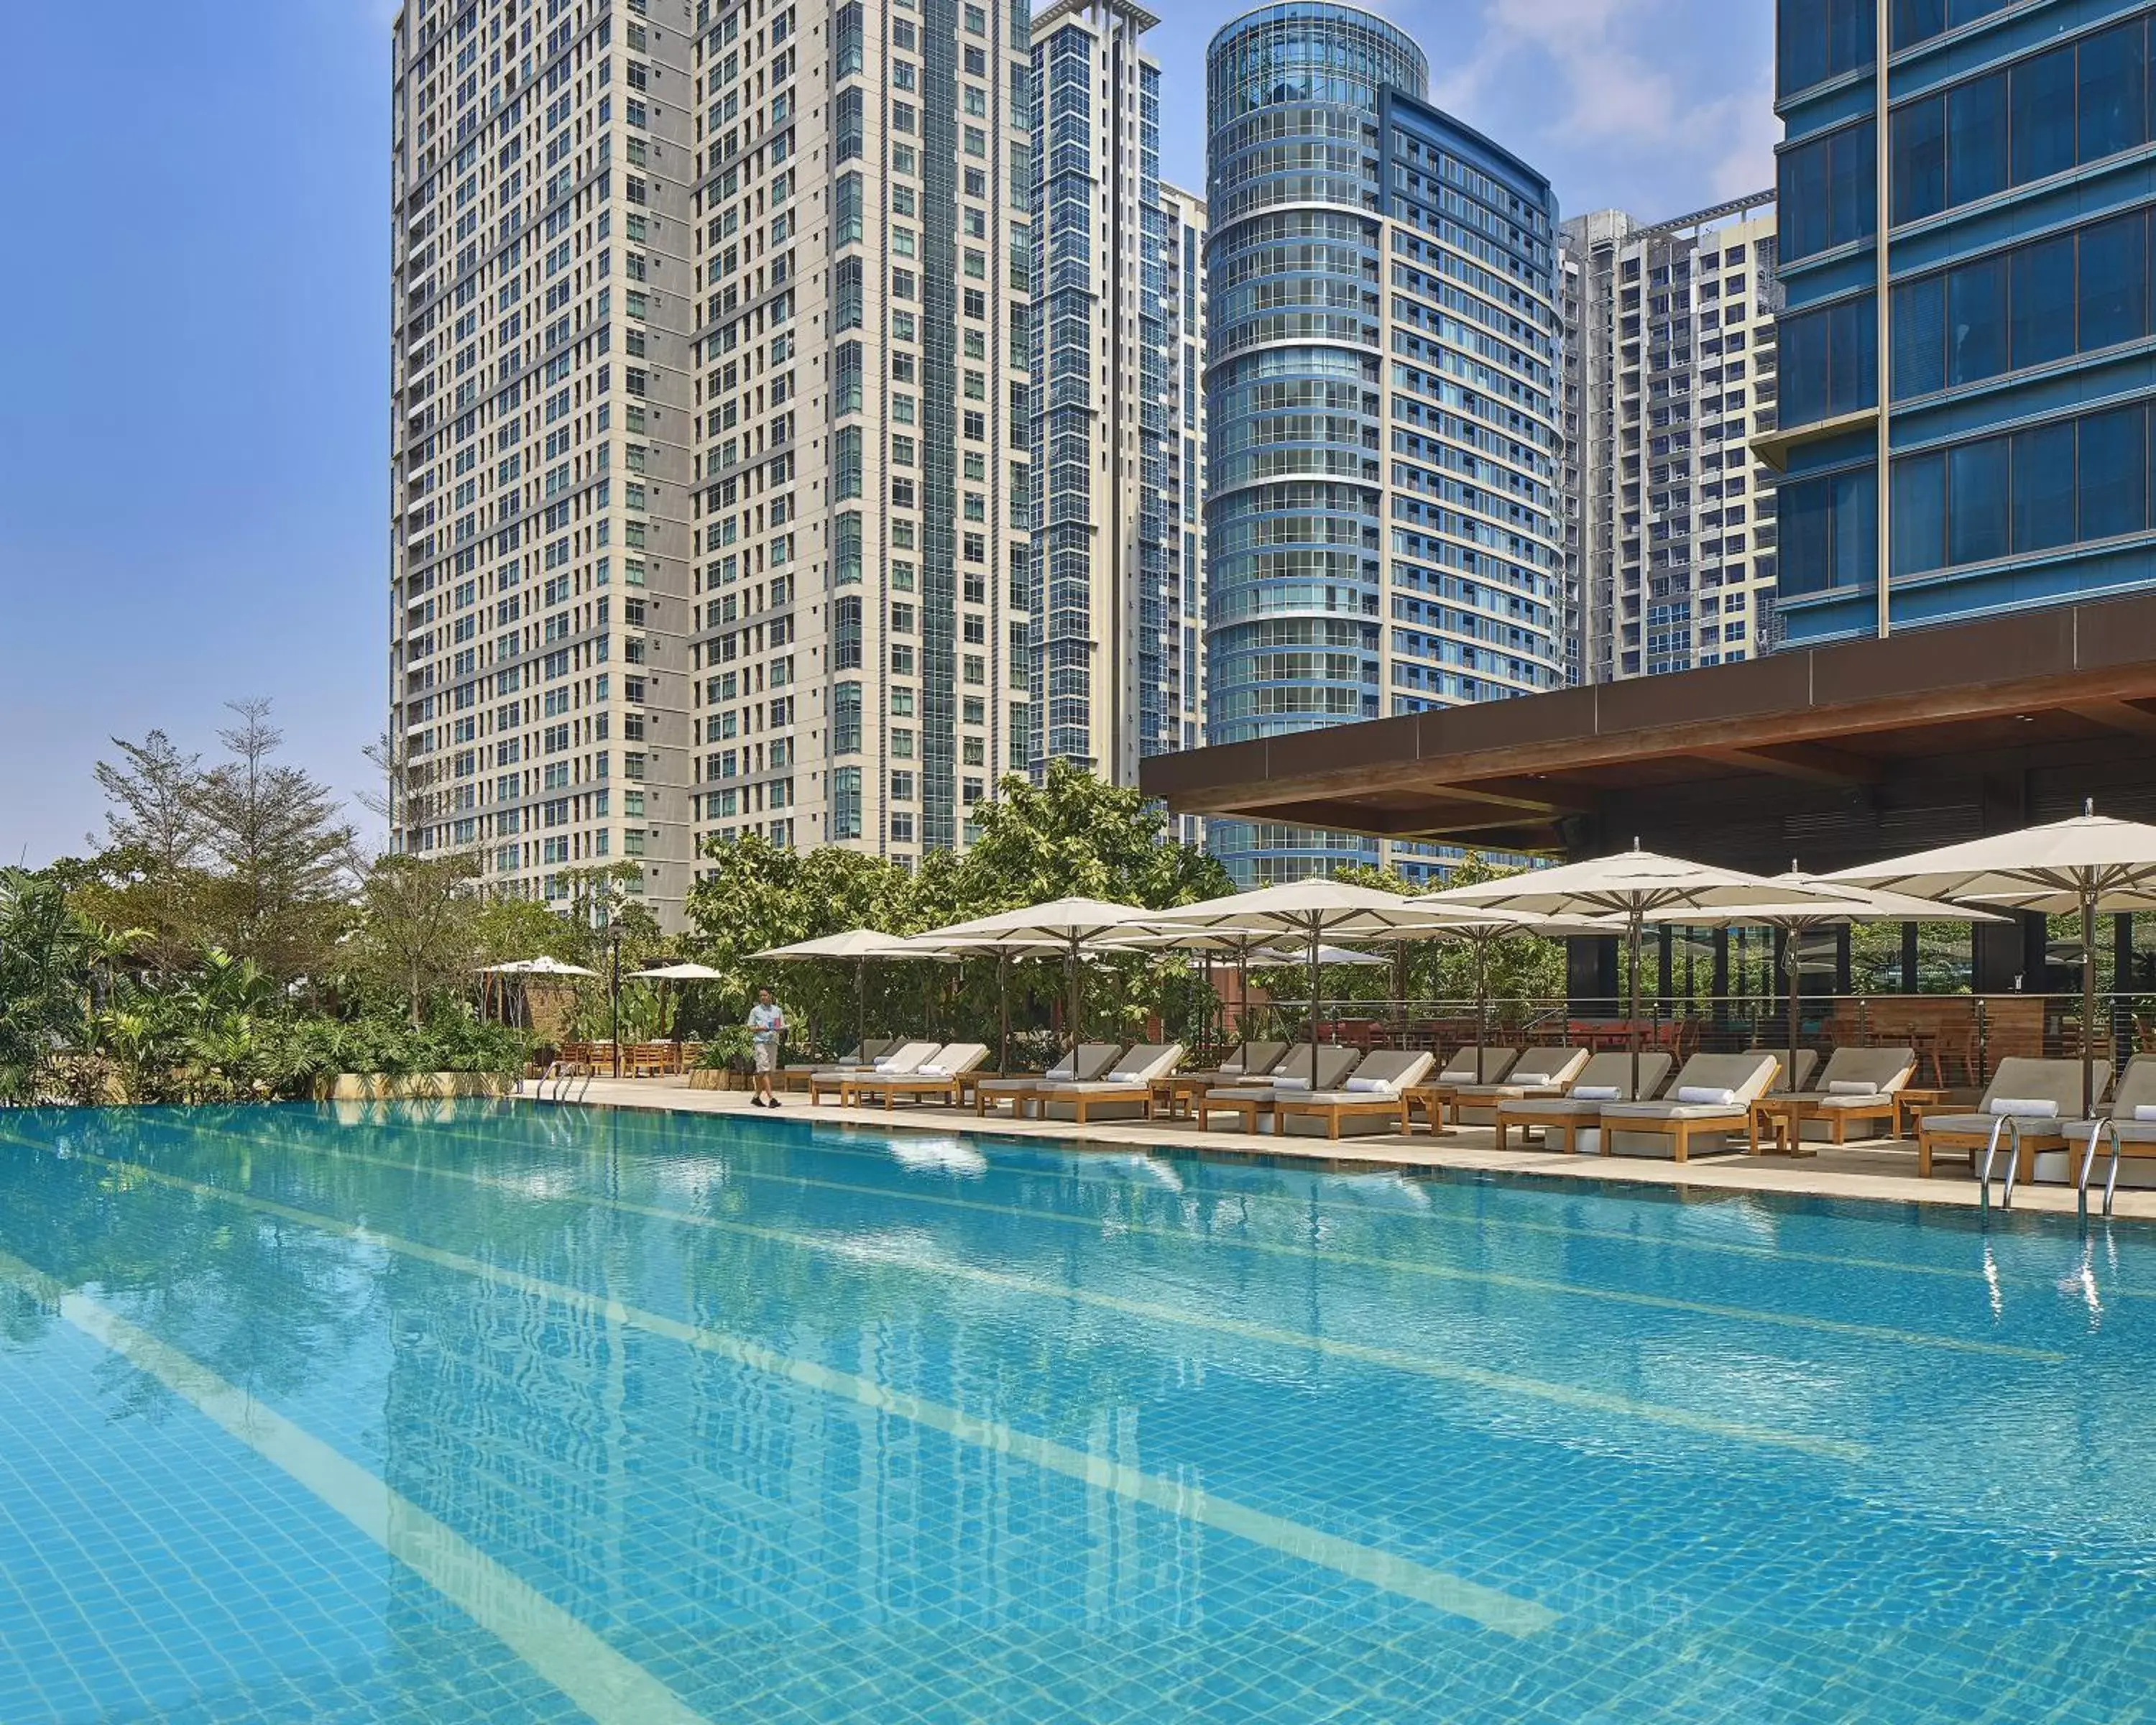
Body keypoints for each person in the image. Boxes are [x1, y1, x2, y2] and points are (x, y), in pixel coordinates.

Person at [747, 988, 786, 1107]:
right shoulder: (755, 1011)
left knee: (768, 1072)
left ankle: (756, 1097)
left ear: (770, 996)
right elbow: (750, 1027)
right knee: (764, 1070)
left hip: (773, 1042)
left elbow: (780, 1027)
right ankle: (772, 1098)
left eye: (765, 995)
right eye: (761, 996)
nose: (763, 998)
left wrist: (779, 1029)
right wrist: (761, 1028)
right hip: (761, 1043)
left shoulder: (777, 1010)